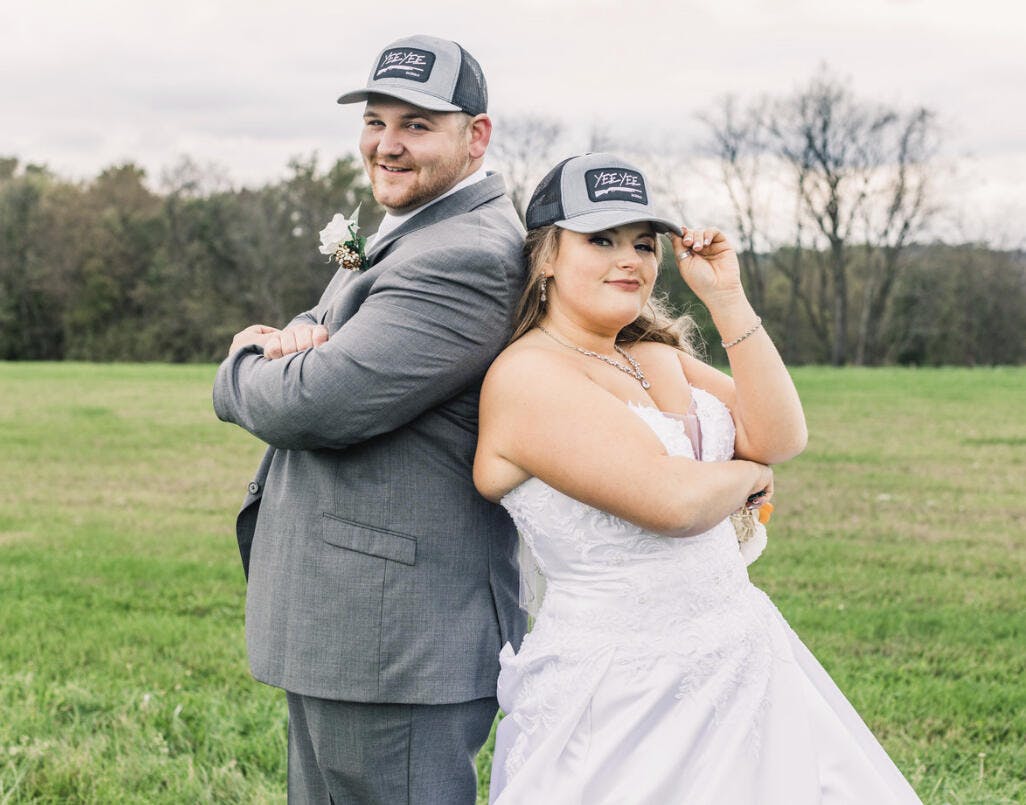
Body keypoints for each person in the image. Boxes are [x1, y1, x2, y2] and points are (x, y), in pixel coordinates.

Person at [474, 153, 923, 803]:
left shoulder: (653, 356)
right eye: (601, 240)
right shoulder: (527, 377)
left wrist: (726, 299)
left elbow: (781, 435)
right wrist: (749, 473)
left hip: (740, 653)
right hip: (622, 689)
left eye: (643, 243)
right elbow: (674, 503)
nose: (629, 260)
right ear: (546, 256)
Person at [213, 35, 527, 804]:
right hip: (355, 625)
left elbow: (315, 401)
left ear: (476, 136)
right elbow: (322, 330)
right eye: (375, 121)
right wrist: (297, 341)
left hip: (396, 639)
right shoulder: (415, 230)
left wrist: (239, 365)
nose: (387, 145)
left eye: (417, 125)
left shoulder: (467, 255)